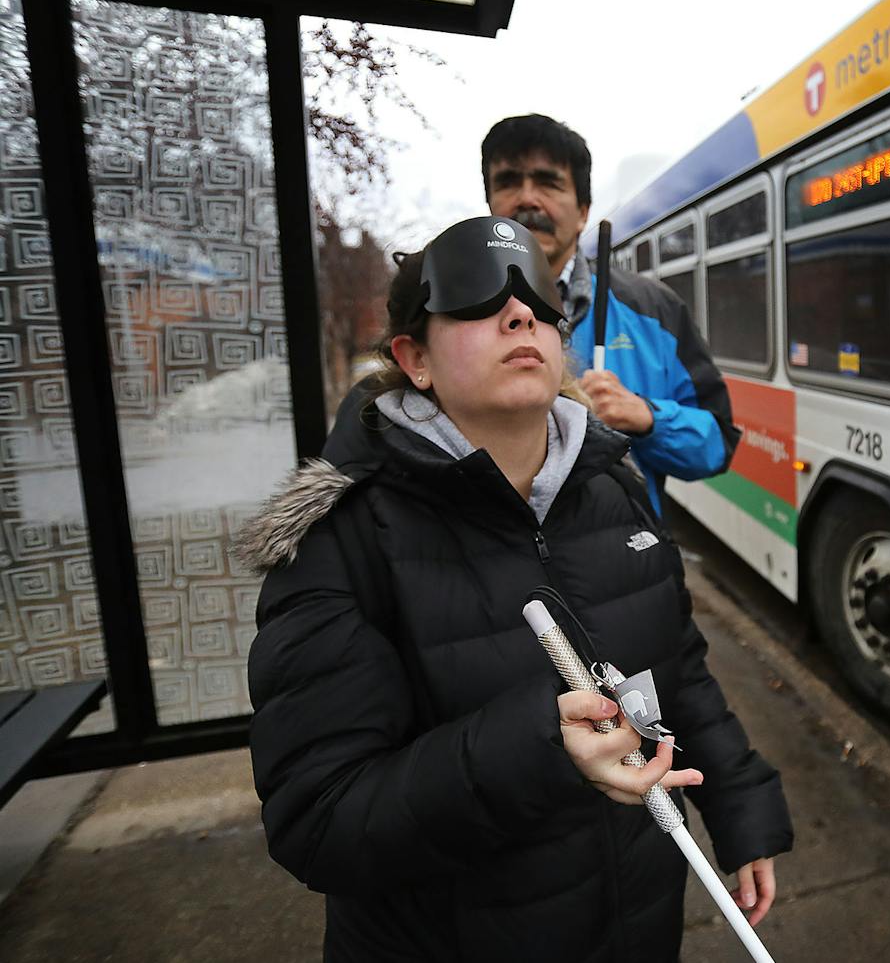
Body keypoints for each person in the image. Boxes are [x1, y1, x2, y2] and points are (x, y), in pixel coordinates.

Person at [235, 217, 791, 961]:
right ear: (414, 358)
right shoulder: (345, 541)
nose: (520, 311)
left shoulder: (613, 493)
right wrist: (539, 751)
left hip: (635, 923)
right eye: (474, 297)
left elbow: (678, 669)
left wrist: (740, 805)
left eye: (538, 297)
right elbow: (320, 817)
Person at [482, 113, 738, 516]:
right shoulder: (445, 315)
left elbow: (718, 445)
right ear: (491, 205)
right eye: (509, 182)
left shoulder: (654, 308)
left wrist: (650, 419)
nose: (528, 199)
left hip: (630, 567)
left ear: (583, 211)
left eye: (549, 183)